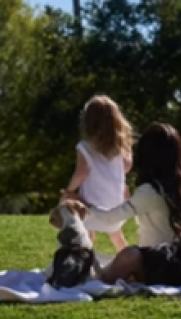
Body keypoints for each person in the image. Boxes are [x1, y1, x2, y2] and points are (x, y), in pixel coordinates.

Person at [83, 122, 181, 283]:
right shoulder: (176, 187)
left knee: (126, 255)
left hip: (155, 265)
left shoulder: (150, 191)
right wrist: (130, 201)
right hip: (176, 263)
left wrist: (82, 205)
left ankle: (101, 276)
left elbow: (109, 218)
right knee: (119, 257)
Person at [62, 94, 134, 252]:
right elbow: (127, 167)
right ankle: (132, 263)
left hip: (92, 207)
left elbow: (81, 173)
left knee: (87, 234)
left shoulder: (84, 147)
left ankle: (85, 262)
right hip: (116, 207)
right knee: (117, 236)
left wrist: (69, 191)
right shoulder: (121, 148)